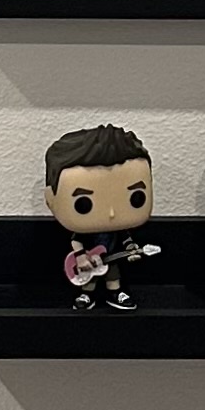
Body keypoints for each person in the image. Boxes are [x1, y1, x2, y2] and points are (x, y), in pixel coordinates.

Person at [43, 122, 160, 316]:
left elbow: (126, 239)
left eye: (136, 197)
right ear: (50, 199)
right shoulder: (83, 232)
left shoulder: (120, 230)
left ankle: (115, 293)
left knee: (113, 273)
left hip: (110, 256)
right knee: (90, 277)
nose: (112, 213)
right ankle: (86, 294)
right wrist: (81, 257)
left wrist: (131, 249)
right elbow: (76, 241)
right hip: (88, 258)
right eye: (83, 204)